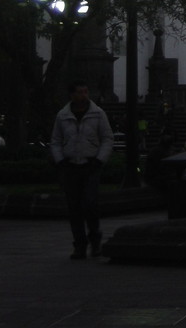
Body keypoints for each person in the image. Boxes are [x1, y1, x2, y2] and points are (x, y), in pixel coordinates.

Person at [50, 80, 114, 260]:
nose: (84, 95)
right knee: (74, 207)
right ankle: (79, 244)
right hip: (70, 165)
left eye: (86, 91)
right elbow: (55, 140)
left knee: (90, 204)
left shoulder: (98, 114)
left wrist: (100, 160)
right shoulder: (62, 116)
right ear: (72, 95)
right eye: (80, 92)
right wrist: (60, 160)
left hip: (91, 164)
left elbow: (107, 138)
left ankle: (95, 240)